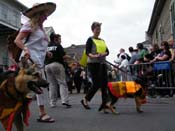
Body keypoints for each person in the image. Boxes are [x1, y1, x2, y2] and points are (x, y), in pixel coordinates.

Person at [14, 2, 56, 122]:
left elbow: (38, 44)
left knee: (27, 87)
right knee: (39, 85)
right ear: (38, 14)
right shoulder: (29, 25)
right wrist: (26, 49)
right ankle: (42, 113)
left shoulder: (41, 28)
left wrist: (47, 52)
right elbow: (18, 40)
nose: (46, 17)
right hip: (29, 60)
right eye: (44, 14)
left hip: (38, 61)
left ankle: (17, 108)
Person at [80, 21, 109, 112]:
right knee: (96, 84)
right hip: (93, 64)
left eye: (99, 29)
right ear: (93, 30)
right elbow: (88, 52)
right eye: (97, 29)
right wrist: (95, 56)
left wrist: (103, 54)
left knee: (104, 84)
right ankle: (85, 99)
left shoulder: (102, 40)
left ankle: (105, 104)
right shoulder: (90, 39)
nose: (98, 30)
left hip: (102, 63)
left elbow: (107, 51)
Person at [45, 33, 71, 108]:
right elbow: (64, 56)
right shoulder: (58, 45)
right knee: (62, 83)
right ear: (55, 38)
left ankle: (52, 103)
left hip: (47, 66)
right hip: (57, 64)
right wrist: (70, 58)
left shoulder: (46, 46)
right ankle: (65, 101)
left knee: (52, 84)